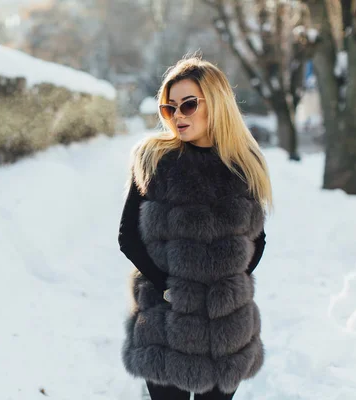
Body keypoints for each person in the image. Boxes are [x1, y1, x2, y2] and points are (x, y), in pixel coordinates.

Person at [118, 56, 272, 400]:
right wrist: (170, 289)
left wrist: (227, 288)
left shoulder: (244, 164)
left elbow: (257, 240)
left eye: (188, 104)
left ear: (216, 104)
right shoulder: (153, 159)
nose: (179, 116)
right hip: (165, 324)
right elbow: (128, 237)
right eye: (170, 108)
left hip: (225, 328)